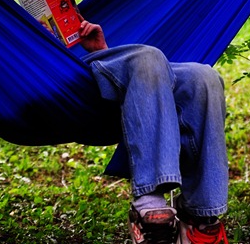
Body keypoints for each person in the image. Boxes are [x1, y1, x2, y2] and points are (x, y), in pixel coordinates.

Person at [78, 20, 230, 244]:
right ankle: (150, 210)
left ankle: (199, 219)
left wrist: (101, 50)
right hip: (54, 75)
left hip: (95, 61)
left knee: (203, 79)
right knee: (148, 58)